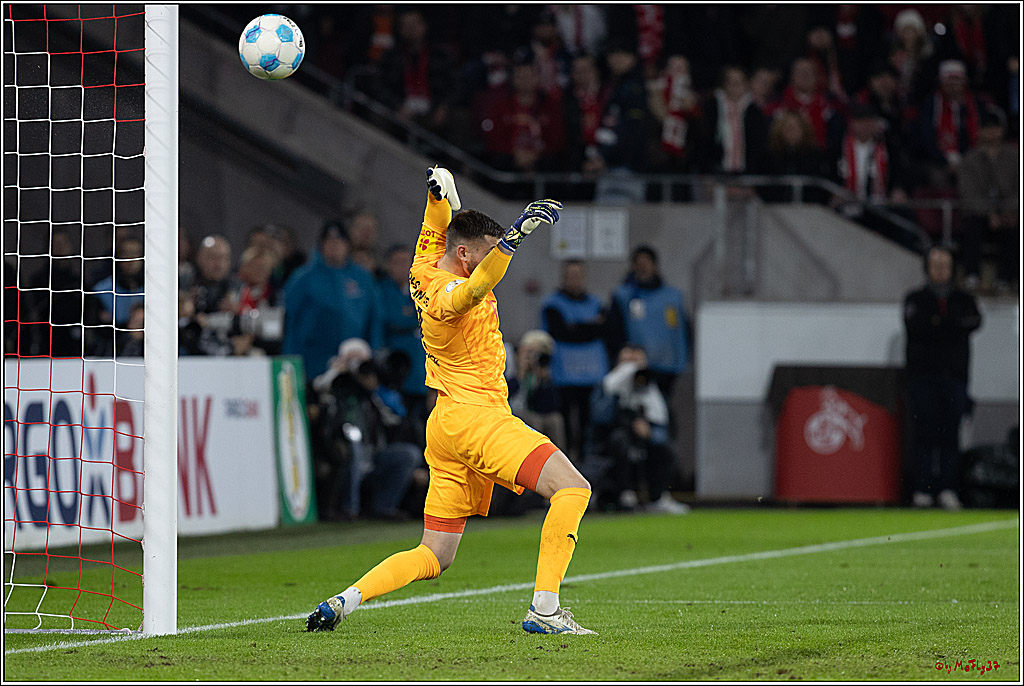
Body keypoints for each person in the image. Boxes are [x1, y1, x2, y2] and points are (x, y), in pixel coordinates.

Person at [306, 167, 596, 636]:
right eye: (485, 255)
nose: (489, 264)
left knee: (435, 554)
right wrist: (516, 238)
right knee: (573, 488)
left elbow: (435, 217)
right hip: (477, 417)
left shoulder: (424, 265)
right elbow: (477, 287)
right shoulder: (447, 293)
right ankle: (544, 610)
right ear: (465, 255)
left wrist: (438, 185)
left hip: (445, 424)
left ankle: (346, 599)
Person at [903, 245, 982, 511]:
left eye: (945, 264)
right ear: (927, 268)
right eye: (935, 264)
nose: (940, 270)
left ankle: (948, 489)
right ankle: (922, 490)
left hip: (955, 379)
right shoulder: (915, 298)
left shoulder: (963, 299)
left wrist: (939, 324)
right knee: (923, 435)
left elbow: (972, 322)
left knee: (950, 436)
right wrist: (949, 326)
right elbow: (919, 327)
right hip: (922, 379)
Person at [591, 345, 690, 515]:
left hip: (644, 440)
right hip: (611, 439)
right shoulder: (607, 385)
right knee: (620, 442)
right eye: (628, 362)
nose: (633, 368)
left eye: (637, 362)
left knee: (665, 450)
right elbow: (600, 417)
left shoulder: (650, 387)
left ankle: (657, 498)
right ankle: (625, 494)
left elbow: (664, 421)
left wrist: (648, 429)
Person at [281, 220, 382, 381]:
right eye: (329, 241)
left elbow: (374, 318)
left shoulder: (362, 278)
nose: (334, 245)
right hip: (313, 361)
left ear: (347, 245)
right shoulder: (303, 278)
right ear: (321, 245)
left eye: (339, 241)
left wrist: (374, 354)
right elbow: (289, 318)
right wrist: (290, 358)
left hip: (354, 361)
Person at [540, 260, 609, 464]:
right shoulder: (552, 304)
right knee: (565, 426)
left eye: (578, 275)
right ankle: (566, 462)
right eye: (570, 275)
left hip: (592, 376)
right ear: (563, 277)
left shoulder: (596, 303)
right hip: (563, 376)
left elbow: (603, 330)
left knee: (590, 425)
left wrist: (575, 327)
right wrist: (590, 328)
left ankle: (587, 464)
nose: (574, 279)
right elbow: (561, 332)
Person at [606, 245, 690, 400]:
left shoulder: (672, 296)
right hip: (635, 366)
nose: (643, 268)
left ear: (654, 265)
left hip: (667, 365)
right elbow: (614, 330)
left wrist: (683, 358)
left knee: (662, 408)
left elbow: (683, 330)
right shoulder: (624, 296)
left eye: (646, 263)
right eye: (639, 264)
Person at [956, 106, 1018, 293]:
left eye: (995, 127)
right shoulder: (969, 160)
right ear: (980, 130)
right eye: (987, 128)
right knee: (972, 226)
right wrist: (990, 213)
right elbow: (968, 194)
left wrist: (1006, 211)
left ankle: (1006, 279)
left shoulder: (1015, 157)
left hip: (1009, 213)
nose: (992, 132)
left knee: (1014, 229)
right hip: (979, 214)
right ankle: (972, 275)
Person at [508, 329, 566, 452]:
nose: (533, 358)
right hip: (510, 413)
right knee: (535, 420)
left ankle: (559, 459)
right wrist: (520, 375)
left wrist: (542, 380)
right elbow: (506, 393)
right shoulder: (508, 364)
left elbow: (552, 406)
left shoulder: (540, 373)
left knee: (555, 419)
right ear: (521, 350)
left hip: (531, 413)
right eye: (529, 352)